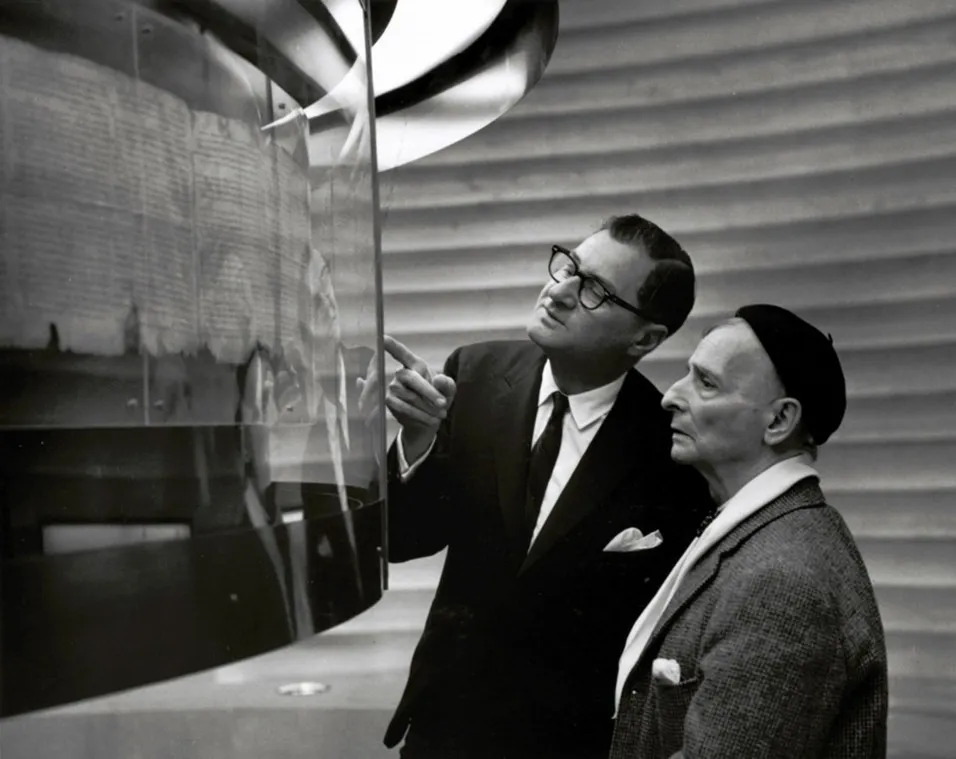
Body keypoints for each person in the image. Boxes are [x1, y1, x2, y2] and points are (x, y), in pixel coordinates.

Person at [372, 214, 713, 759]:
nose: (560, 291)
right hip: (445, 728)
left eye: (595, 290)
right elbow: (407, 537)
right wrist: (416, 440)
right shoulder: (475, 373)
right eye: (569, 266)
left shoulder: (667, 448)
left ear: (644, 339)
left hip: (571, 743)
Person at [611, 304, 888, 759]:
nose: (670, 397)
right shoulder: (763, 532)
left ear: (779, 421)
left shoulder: (780, 580)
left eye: (706, 383)